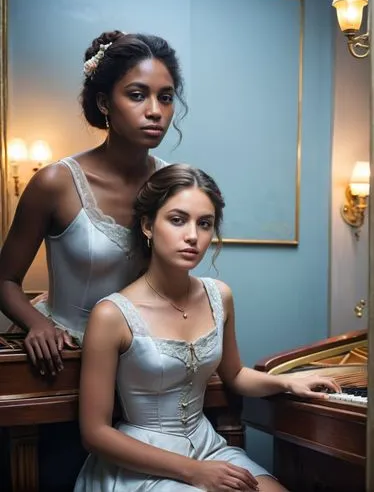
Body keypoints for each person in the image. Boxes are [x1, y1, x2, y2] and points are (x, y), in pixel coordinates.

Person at [75, 164, 340, 492]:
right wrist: (194, 472)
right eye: (177, 220)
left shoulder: (220, 296)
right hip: (142, 460)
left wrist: (287, 382)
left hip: (207, 445)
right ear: (147, 225)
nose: (192, 236)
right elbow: (94, 433)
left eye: (205, 224)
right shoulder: (111, 314)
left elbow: (235, 375)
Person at [0, 30, 187, 377]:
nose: (154, 111)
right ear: (104, 103)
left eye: (165, 97)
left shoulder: (174, 185)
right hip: (64, 358)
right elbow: (4, 280)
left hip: (142, 359)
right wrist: (37, 324)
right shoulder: (56, 182)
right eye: (137, 95)